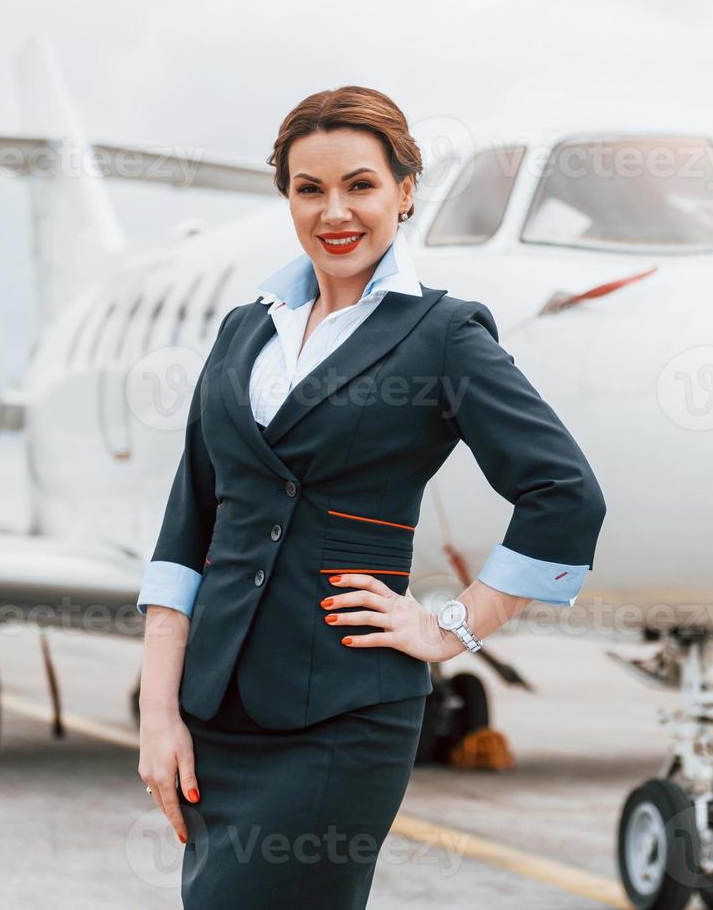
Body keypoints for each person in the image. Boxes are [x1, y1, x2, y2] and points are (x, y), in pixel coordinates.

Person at [134, 86, 607, 908]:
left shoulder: (443, 335)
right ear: (286, 197)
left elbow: (565, 493)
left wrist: (450, 625)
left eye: (360, 185)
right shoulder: (245, 331)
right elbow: (190, 527)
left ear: (405, 192)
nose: (335, 211)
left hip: (343, 718)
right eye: (309, 189)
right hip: (215, 716)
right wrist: (158, 712)